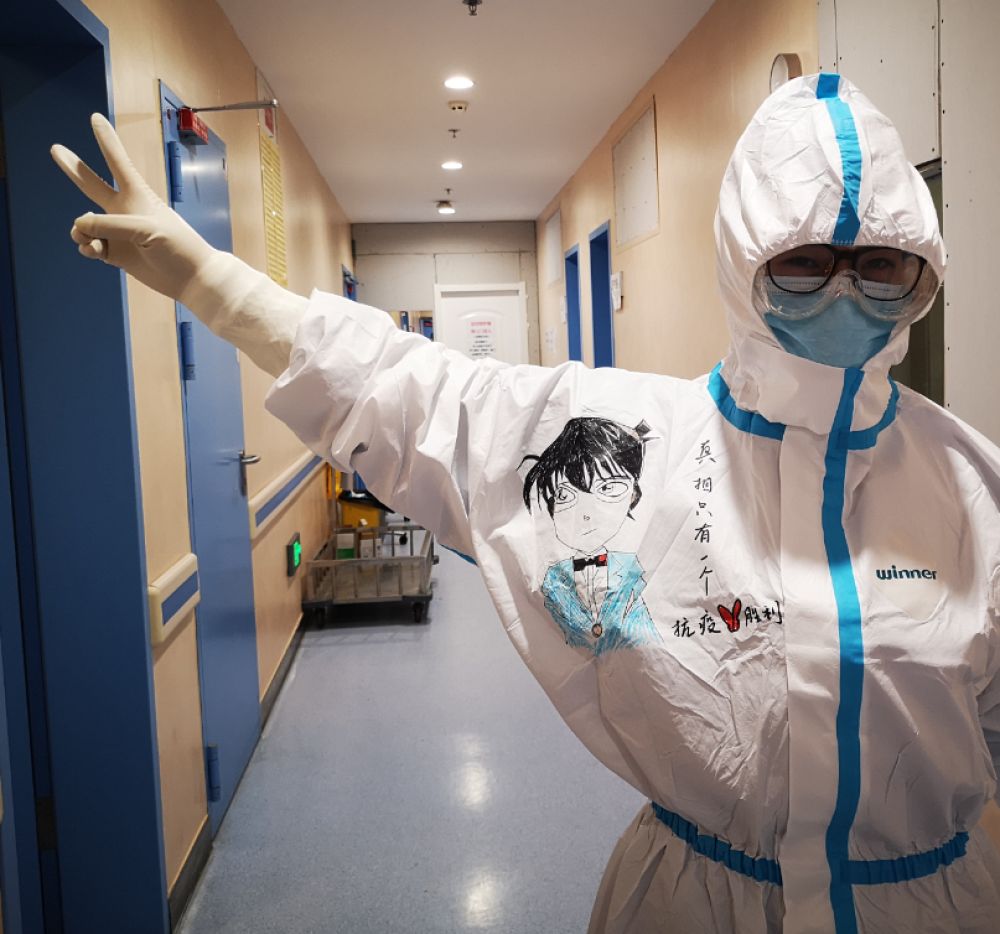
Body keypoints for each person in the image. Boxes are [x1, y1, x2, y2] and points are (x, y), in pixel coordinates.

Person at [52, 73, 1000, 933]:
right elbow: (421, 396)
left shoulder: (970, 485)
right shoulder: (639, 442)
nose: (845, 291)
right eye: (805, 261)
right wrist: (208, 278)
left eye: (882, 265)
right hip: (691, 905)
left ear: (923, 272)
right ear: (743, 262)